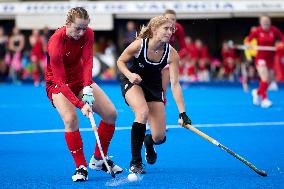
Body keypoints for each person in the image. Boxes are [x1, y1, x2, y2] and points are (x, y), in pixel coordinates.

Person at [45, 7, 122, 182]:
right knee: (71, 119)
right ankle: (81, 166)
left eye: (84, 28)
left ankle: (98, 159)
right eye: (77, 28)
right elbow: (60, 81)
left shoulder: (88, 33)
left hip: (80, 79)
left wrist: (87, 87)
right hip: (58, 84)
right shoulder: (55, 42)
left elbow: (87, 61)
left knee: (111, 114)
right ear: (67, 24)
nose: (81, 32)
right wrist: (80, 105)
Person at [117, 15, 192, 174]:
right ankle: (135, 162)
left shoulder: (172, 54)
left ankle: (148, 142)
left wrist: (182, 113)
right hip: (133, 81)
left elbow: (175, 84)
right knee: (142, 112)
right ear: (154, 29)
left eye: (171, 29)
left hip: (153, 87)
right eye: (166, 28)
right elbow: (120, 62)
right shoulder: (139, 45)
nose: (170, 32)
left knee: (159, 137)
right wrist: (130, 75)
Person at [246, 15, 284, 108]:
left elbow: (282, 38)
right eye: (264, 21)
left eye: (267, 21)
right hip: (260, 58)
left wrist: (281, 43)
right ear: (260, 22)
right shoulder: (257, 31)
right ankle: (264, 99)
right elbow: (248, 40)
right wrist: (249, 45)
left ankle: (257, 92)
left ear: (270, 22)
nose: (266, 23)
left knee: (269, 80)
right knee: (265, 78)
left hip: (270, 58)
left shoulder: (274, 30)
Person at [162, 9, 187, 103]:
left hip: (165, 58)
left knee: (166, 88)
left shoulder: (178, 28)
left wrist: (175, 57)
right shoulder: (157, 27)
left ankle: (163, 103)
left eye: (173, 19)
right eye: (167, 19)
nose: (170, 21)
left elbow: (184, 48)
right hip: (152, 57)